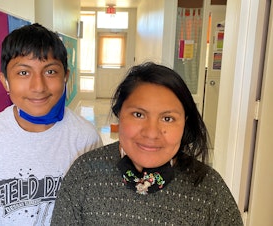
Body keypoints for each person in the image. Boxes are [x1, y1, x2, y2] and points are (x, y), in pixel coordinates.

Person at [51, 62, 244, 225]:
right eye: (138, 114)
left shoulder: (209, 188)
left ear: (185, 122)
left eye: (167, 118)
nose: (151, 133)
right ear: (119, 114)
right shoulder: (85, 174)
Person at [0, 23, 103, 225]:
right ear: (5, 81)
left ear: (66, 77)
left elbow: (91, 198)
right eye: (23, 73)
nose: (38, 87)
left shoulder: (85, 137)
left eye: (50, 72)